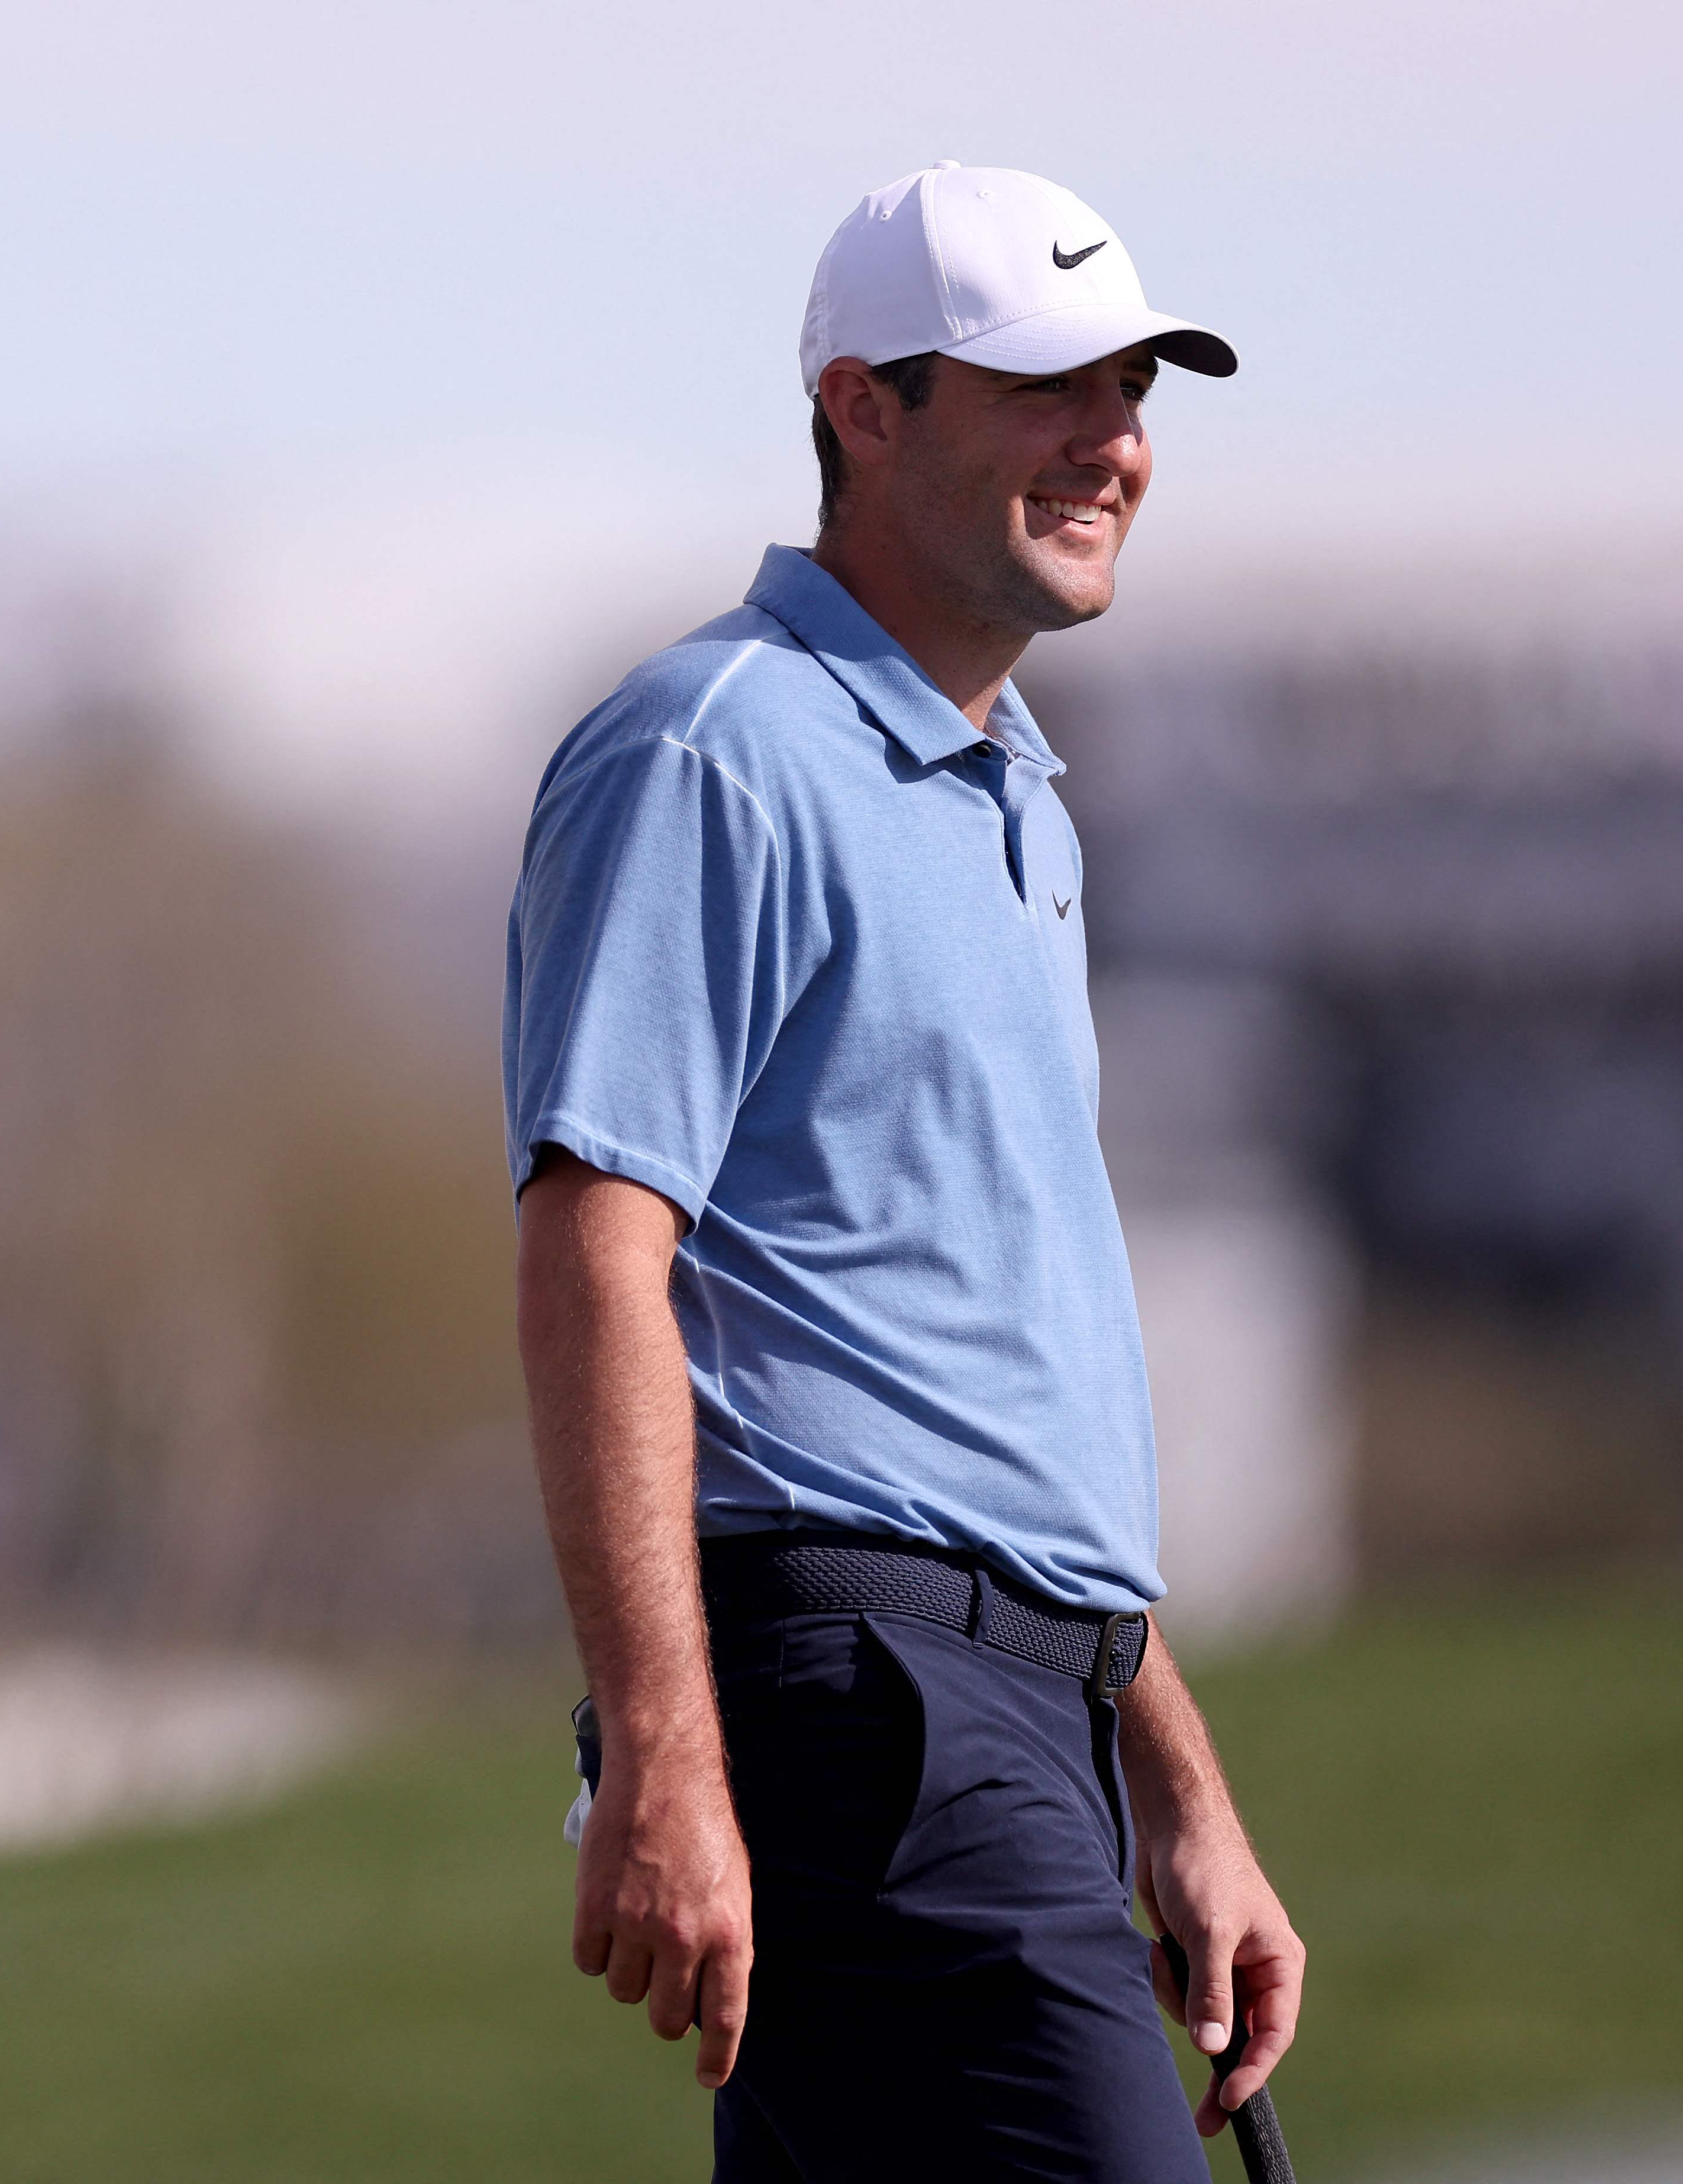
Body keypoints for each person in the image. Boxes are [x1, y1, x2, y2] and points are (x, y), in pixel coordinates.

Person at [502, 163, 1305, 2177]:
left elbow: (991, 1371)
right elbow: (598, 1249)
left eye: (1133, 388)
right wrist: (668, 1749)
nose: (1114, 442)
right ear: (865, 407)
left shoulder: (1019, 791)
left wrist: (1175, 1778)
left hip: (1018, 1708)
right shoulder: (714, 746)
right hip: (862, 1701)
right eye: (1049, 388)